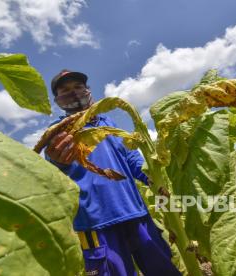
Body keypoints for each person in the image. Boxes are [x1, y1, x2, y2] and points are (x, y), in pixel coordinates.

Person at [44, 69, 182, 276]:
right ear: (57, 100)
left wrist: (152, 177)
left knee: (162, 268)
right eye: (65, 90)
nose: (73, 93)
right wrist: (57, 160)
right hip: (95, 222)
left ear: (88, 90)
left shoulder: (108, 123)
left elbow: (130, 158)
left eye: (78, 87)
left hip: (135, 212)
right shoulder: (58, 130)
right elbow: (54, 165)